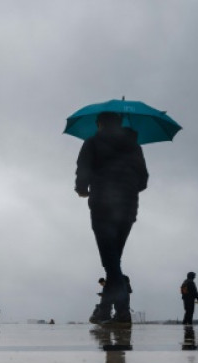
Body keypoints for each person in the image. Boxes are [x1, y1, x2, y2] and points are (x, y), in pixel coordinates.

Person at [75, 111, 149, 325]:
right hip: (128, 208)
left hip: (102, 207)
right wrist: (127, 188)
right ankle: (104, 310)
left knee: (111, 262)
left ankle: (123, 312)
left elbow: (83, 170)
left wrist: (82, 189)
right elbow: (143, 180)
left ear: (99, 124)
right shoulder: (134, 146)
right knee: (113, 260)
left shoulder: (93, 142)